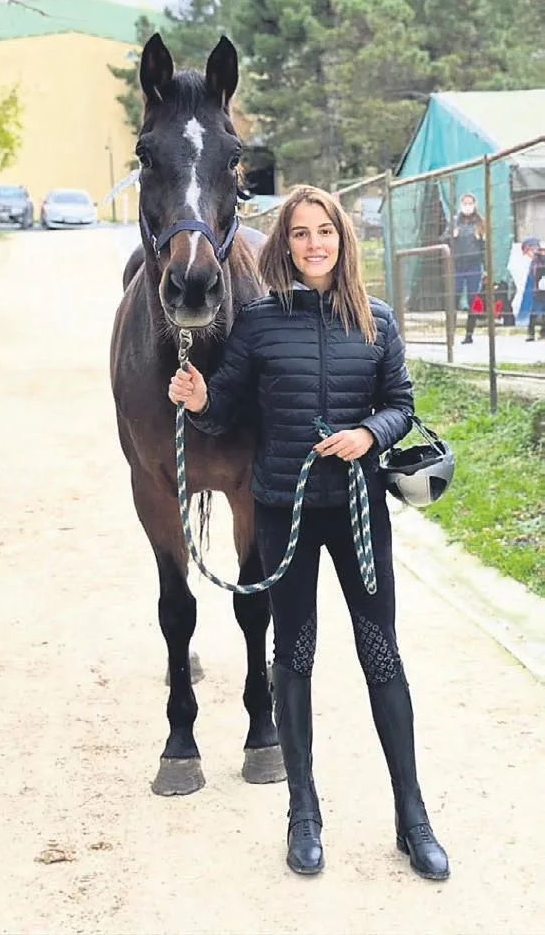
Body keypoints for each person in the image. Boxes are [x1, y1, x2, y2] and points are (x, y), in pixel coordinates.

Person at [168, 185, 449, 881]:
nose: (314, 243)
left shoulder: (377, 322)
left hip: (357, 510)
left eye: (324, 231)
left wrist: (367, 433)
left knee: (381, 654)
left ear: (342, 240)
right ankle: (304, 813)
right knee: (293, 656)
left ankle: (412, 818)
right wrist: (200, 399)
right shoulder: (259, 325)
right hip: (283, 507)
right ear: (284, 246)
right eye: (300, 233)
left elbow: (401, 406)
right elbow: (222, 410)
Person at [446, 193, 485, 343]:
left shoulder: (480, 222)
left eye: (470, 203)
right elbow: (443, 239)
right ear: (460, 205)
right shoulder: (454, 222)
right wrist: (452, 236)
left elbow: (485, 248)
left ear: (475, 204)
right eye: (465, 203)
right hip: (458, 265)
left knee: (473, 299)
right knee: (454, 298)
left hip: (474, 265)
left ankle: (469, 334)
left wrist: (486, 268)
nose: (467, 206)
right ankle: (451, 333)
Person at [526, 239, 545, 342]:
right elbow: (534, 274)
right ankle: (531, 333)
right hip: (538, 291)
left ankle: (543, 332)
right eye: (541, 250)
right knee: (534, 312)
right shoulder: (536, 261)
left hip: (540, 290)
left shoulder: (536, 260)